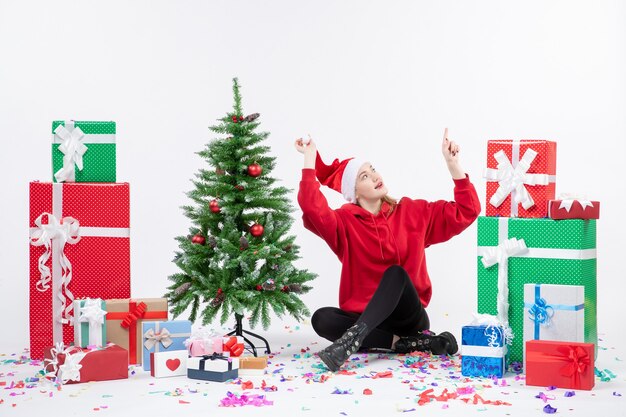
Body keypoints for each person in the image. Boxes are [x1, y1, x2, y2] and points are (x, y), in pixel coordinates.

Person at [294, 129, 481, 372]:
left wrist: (453, 164)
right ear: (354, 192)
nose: (374, 176)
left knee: (396, 273)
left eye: (372, 169)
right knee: (322, 318)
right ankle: (403, 345)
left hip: (409, 318)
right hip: (373, 323)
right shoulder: (343, 224)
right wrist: (309, 157)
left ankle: (353, 339)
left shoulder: (413, 211)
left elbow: (467, 211)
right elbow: (312, 207)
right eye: (363, 176)